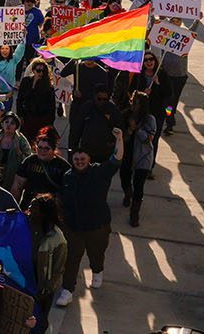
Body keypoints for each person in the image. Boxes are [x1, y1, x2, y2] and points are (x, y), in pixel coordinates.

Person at [58, 139, 123, 302]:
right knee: (72, 259)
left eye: (83, 159)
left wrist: (120, 139)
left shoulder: (100, 172)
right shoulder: (67, 176)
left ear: (89, 160)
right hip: (74, 227)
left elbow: (116, 159)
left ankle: (97, 271)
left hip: (97, 226)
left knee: (96, 253)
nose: (79, 162)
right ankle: (67, 291)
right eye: (76, 159)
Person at [27, 195, 67, 334]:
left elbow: (58, 269)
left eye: (34, 208)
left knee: (40, 319)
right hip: (24, 280)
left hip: (41, 286)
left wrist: (47, 289)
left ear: (43, 213)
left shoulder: (57, 238)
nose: (29, 209)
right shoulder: (23, 224)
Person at [119, 91, 159, 228]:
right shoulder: (125, 116)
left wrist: (136, 128)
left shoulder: (149, 119)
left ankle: (134, 213)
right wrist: (128, 132)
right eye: (132, 101)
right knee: (124, 177)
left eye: (136, 102)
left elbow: (148, 139)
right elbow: (121, 137)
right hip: (127, 154)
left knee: (139, 184)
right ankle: (127, 193)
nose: (133, 105)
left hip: (143, 156)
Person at [15, 127, 70, 209]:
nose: (42, 151)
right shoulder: (29, 161)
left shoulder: (63, 166)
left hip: (51, 209)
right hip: (29, 207)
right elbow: (17, 186)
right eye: (39, 147)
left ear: (53, 150)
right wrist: (14, 208)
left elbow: (68, 191)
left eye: (46, 149)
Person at [12, 58, 56, 141]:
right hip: (28, 116)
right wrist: (20, 114)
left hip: (42, 118)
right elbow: (20, 99)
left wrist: (50, 122)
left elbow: (52, 105)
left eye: (43, 71)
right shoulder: (26, 81)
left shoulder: (48, 86)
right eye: (38, 70)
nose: (41, 73)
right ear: (33, 70)